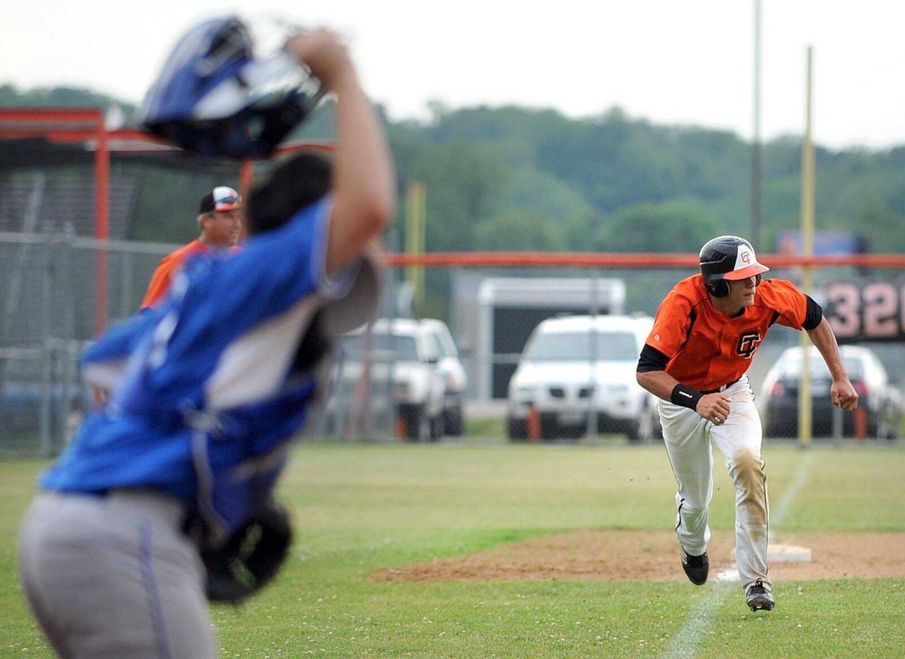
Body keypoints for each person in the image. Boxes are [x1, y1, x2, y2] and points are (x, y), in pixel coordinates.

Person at [18, 26, 395, 657]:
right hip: (122, 533)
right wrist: (341, 74)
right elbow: (371, 205)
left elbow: (105, 363)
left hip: (68, 518)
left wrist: (213, 487)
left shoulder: (214, 285)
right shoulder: (266, 272)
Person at [635, 235, 858, 612]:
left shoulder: (769, 297)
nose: (753, 283)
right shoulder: (683, 303)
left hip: (733, 392)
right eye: (744, 278)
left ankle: (756, 578)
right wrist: (697, 400)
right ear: (717, 284)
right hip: (681, 399)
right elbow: (647, 372)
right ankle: (692, 547)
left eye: (755, 274)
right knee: (695, 499)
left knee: (747, 463)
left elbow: (814, 317)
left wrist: (840, 376)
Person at [139, 185, 243, 309]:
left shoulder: (243, 258)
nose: (237, 225)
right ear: (206, 221)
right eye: (228, 216)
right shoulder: (177, 263)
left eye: (238, 217)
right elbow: (149, 315)